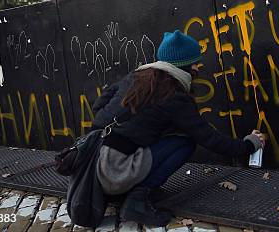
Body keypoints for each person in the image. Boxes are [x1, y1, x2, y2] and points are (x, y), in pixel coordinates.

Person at [92, 30, 265, 226]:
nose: (198, 67)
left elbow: (98, 107)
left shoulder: (136, 76)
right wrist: (248, 145)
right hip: (114, 171)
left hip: (93, 164)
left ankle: (129, 190)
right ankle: (136, 200)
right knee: (185, 142)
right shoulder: (174, 94)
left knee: (165, 135)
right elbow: (208, 138)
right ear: (185, 65)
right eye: (195, 62)